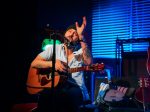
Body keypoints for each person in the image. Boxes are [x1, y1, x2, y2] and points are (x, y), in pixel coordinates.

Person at [30, 16, 93, 112]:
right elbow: (34, 63)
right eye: (70, 31)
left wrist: (82, 37)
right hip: (56, 88)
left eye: (76, 33)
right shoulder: (54, 48)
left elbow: (89, 62)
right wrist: (53, 64)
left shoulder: (80, 53)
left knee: (67, 95)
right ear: (65, 33)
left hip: (76, 90)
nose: (72, 33)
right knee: (47, 95)